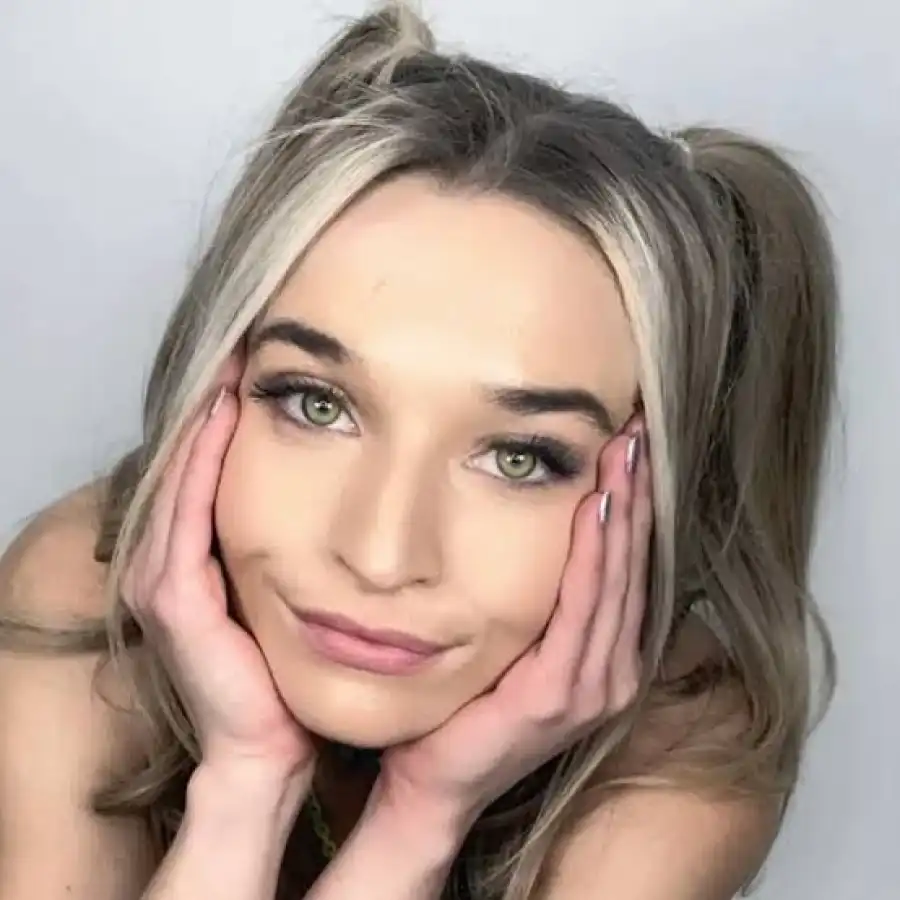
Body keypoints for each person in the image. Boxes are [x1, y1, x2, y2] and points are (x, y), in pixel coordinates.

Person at [0, 2, 838, 898]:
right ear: (213, 383)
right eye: (316, 404)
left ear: (654, 495)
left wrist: (418, 821)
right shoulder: (80, 597)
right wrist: (245, 787)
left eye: (520, 457)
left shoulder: (689, 735)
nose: (381, 554)